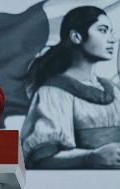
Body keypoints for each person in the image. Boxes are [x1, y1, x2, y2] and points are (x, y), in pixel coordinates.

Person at [21, 6, 120, 169]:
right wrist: (92, 157)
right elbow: (41, 157)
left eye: (111, 31)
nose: (111, 39)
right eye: (103, 30)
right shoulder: (53, 92)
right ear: (76, 36)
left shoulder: (114, 91)